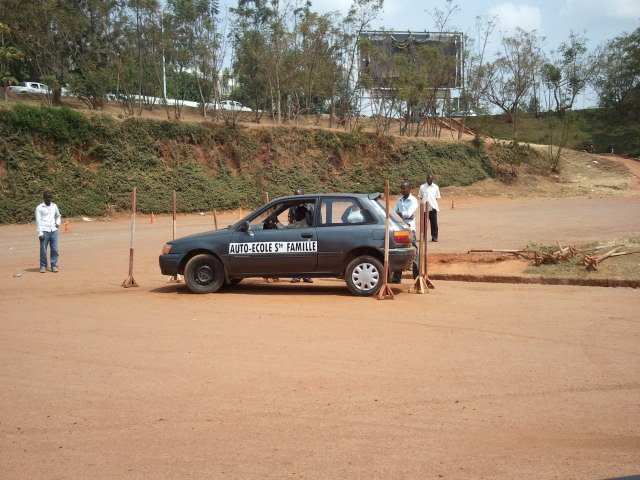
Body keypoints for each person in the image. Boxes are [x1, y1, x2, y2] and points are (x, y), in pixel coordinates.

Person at [390, 181, 419, 283]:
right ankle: (397, 277)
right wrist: (399, 214)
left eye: (404, 188)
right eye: (401, 188)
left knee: (414, 253)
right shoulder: (400, 200)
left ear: (409, 188)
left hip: (410, 230)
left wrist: (399, 213)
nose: (402, 190)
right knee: (400, 252)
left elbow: (409, 214)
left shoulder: (413, 200)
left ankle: (417, 277)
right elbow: (393, 213)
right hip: (400, 229)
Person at [289, 187, 313, 284]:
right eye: (295, 196)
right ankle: (296, 276)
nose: (297, 198)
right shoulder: (292, 206)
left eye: (298, 196)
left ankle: (307, 276)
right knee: (296, 255)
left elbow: (313, 219)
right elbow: (290, 219)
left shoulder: (309, 206)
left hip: (307, 233)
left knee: (307, 255)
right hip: (296, 232)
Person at [35, 191, 62, 273]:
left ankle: (54, 265)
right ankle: (43, 266)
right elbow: (38, 221)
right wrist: (40, 233)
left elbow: (58, 215)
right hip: (44, 230)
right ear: (43, 198)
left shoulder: (54, 206)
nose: (49, 199)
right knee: (43, 249)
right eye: (47, 197)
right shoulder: (39, 208)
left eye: (50, 197)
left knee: (55, 249)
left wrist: (57, 223)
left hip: (53, 230)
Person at [418, 173, 441, 242]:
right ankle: (423, 237)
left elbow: (436, 197)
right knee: (424, 224)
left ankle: (434, 237)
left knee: (434, 223)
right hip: (425, 208)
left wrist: (432, 203)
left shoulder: (436, 187)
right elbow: (421, 197)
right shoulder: (422, 187)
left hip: (433, 208)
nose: (429, 180)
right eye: (427, 178)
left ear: (432, 179)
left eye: (430, 178)